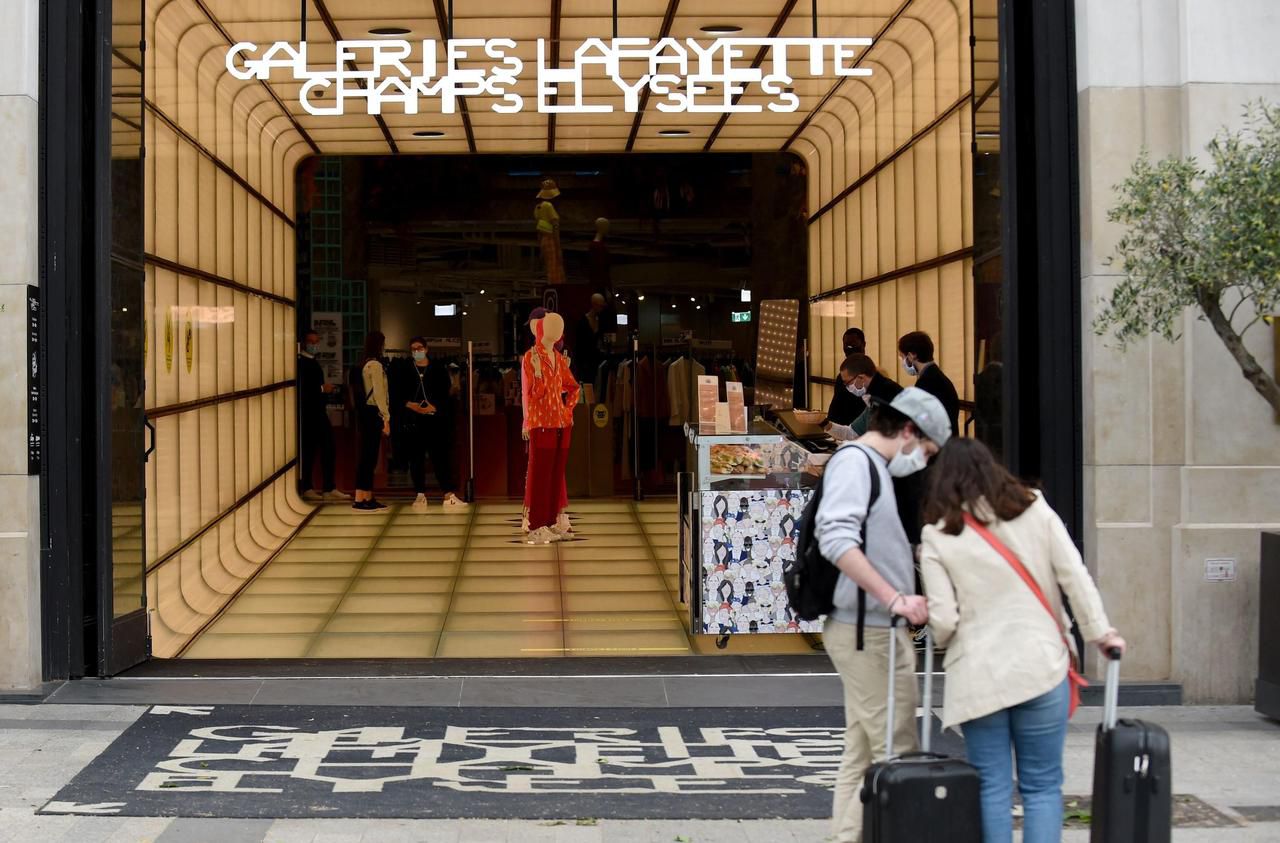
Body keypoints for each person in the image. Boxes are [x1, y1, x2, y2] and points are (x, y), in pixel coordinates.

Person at [919, 438, 1125, 843]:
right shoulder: (1035, 508)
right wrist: (1099, 632)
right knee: (1043, 786)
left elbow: (942, 623)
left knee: (992, 787)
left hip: (980, 678)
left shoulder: (937, 535)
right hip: (1040, 666)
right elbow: (1074, 576)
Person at [815, 387, 952, 843]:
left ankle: (847, 836)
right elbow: (836, 539)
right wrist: (895, 598)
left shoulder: (870, 467)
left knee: (864, 751)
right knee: (897, 750)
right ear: (910, 432)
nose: (924, 461)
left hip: (868, 628)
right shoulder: (857, 464)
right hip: (867, 630)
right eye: (927, 451)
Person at [397, 337, 466, 512]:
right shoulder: (406, 369)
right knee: (416, 458)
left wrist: (434, 406)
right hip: (414, 420)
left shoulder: (437, 369)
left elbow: (445, 394)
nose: (416, 352)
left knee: (440, 457)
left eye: (419, 348)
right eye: (413, 349)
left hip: (435, 420)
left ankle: (448, 493)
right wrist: (411, 405)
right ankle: (420, 494)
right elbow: (399, 393)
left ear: (426, 349)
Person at [297, 330, 349, 502]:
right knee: (311, 450)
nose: (314, 345)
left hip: (318, 412)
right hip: (309, 414)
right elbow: (302, 389)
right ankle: (309, 486)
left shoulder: (312, 362)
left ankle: (326, 486)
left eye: (316, 341)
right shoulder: (302, 363)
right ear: (304, 343)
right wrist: (321, 389)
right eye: (311, 341)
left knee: (327, 448)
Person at [352, 331, 390, 512]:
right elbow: (379, 394)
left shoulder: (363, 364)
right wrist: (386, 417)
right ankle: (362, 497)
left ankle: (364, 495)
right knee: (370, 456)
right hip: (374, 413)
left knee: (366, 456)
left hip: (364, 414)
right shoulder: (375, 365)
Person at [825, 353, 903, 439]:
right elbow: (852, 433)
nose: (847, 388)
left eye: (847, 383)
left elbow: (886, 437)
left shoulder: (887, 395)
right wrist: (823, 423)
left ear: (861, 377)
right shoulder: (871, 397)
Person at [898, 330, 960, 437]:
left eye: (902, 357)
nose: (903, 361)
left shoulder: (927, 382)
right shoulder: (935, 376)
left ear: (912, 355)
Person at [572, 293, 607, 384]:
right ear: (594, 304)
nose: (601, 309)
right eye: (600, 306)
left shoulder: (601, 320)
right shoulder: (582, 322)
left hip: (595, 361)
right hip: (584, 362)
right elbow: (578, 345)